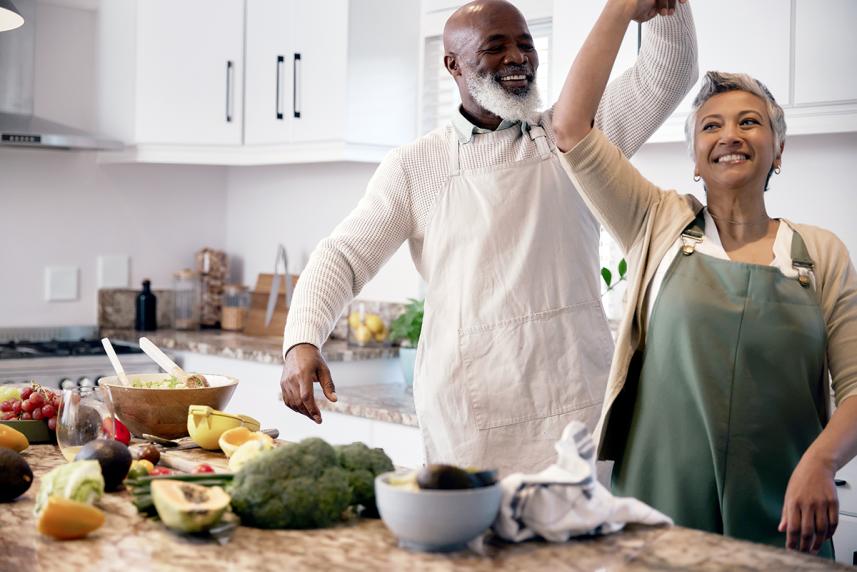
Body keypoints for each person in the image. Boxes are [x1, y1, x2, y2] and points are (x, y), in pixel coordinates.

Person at [280, 0, 698, 476]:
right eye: (495, 48)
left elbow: (669, 72)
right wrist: (302, 343)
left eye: (525, 44)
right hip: (471, 419)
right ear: (452, 65)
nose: (517, 58)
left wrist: (667, 5)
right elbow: (343, 257)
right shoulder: (416, 166)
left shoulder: (574, 132)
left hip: (577, 405)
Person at [551, 0, 857, 556]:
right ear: (695, 156)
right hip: (658, 509)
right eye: (711, 126)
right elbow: (570, 126)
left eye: (750, 122)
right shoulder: (656, 221)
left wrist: (821, 460)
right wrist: (621, 8)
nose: (730, 135)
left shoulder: (821, 254)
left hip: (784, 511)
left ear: (779, 151)